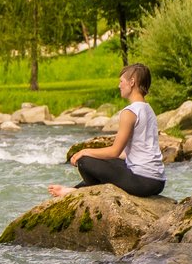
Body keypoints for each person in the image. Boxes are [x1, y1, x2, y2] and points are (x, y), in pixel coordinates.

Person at [47, 63, 166, 199]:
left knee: (85, 161)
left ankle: (78, 193)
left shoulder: (129, 112)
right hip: (157, 182)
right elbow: (125, 154)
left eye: (121, 81)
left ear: (132, 82)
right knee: (102, 161)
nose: (119, 85)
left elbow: (114, 151)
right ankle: (73, 190)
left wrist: (84, 151)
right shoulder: (148, 109)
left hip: (142, 182)